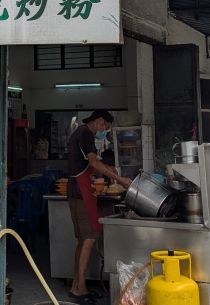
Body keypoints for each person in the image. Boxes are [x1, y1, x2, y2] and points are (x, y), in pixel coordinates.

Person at [66, 110, 132, 305]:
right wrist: (120, 179)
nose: (106, 132)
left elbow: (91, 163)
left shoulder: (80, 133)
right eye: (107, 128)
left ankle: (78, 287)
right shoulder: (86, 133)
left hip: (79, 191)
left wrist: (109, 170)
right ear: (100, 121)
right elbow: (93, 161)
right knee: (88, 238)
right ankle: (79, 289)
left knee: (83, 240)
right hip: (81, 192)